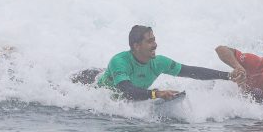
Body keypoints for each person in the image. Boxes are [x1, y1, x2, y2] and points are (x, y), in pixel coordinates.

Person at [81, 25, 244, 100]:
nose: (155, 45)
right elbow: (127, 91)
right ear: (136, 46)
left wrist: (228, 76)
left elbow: (192, 71)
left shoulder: (159, 62)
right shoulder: (119, 61)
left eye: (154, 40)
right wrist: (155, 94)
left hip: (122, 83)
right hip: (89, 85)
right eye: (150, 41)